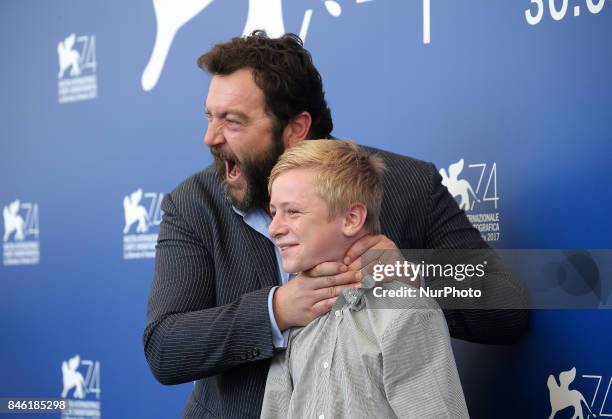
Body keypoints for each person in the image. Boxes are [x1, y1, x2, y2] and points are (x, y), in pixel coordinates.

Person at [143, 31, 528, 418]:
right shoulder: (194, 203)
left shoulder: (408, 186)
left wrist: (413, 270)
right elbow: (166, 347)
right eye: (210, 116)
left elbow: (507, 309)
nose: (210, 136)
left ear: (296, 128)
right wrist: (276, 311)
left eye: (233, 121)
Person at [261, 139, 469, 418]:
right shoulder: (293, 316)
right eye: (273, 213)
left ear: (351, 218)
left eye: (293, 212)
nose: (274, 228)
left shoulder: (403, 312)